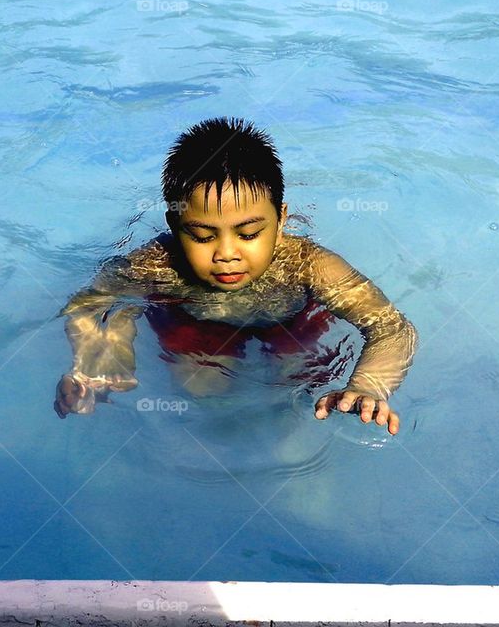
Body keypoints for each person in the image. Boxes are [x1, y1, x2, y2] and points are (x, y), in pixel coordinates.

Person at [54, 117, 418, 435]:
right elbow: (88, 305)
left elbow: (392, 327)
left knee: (296, 387)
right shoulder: (155, 265)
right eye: (201, 235)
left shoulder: (308, 265)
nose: (227, 254)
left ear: (281, 222)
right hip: (197, 320)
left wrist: (368, 387)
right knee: (200, 392)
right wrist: (96, 366)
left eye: (248, 234)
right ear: (174, 224)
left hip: (289, 319)